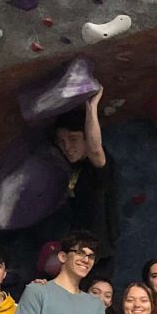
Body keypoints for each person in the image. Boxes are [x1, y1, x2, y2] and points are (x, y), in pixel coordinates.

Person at [51, 87, 117, 277]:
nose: (67, 147)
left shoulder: (99, 166)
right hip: (75, 252)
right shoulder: (75, 170)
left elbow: (96, 149)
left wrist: (91, 108)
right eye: (62, 142)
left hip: (97, 255)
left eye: (73, 139)